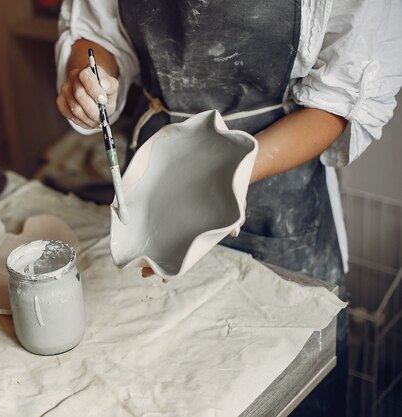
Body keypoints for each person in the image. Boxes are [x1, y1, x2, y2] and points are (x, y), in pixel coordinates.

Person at [54, 0, 402, 416]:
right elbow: (96, 32)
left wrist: (219, 176)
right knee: (173, 385)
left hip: (278, 192)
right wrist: (91, 83)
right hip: (157, 176)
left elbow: (338, 101)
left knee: (287, 384)